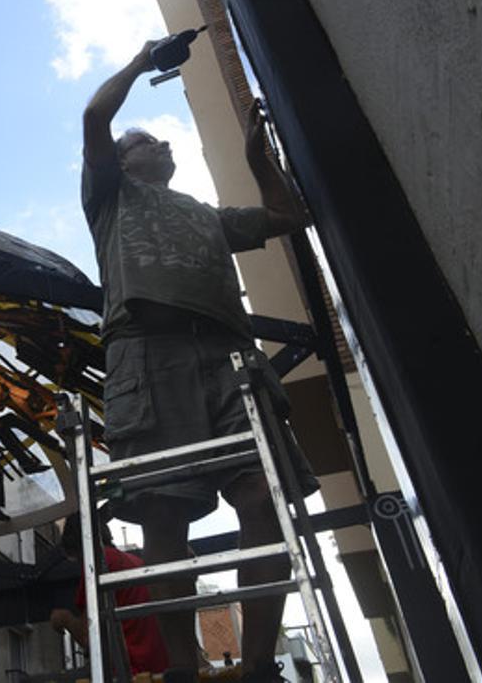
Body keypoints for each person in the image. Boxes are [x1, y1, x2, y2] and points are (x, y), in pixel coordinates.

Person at [81, 40, 319, 682]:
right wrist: (136, 62)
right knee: (161, 514)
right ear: (125, 164)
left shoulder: (206, 216)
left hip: (225, 357)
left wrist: (256, 157)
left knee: (263, 505)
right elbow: (93, 119)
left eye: (160, 141)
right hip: (147, 356)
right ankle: (183, 668)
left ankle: (260, 665)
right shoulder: (111, 199)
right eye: (147, 142)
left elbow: (288, 216)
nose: (161, 144)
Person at [50, 515, 170, 677]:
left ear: (77, 547)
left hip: (129, 672)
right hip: (159, 671)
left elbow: (89, 639)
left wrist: (64, 619)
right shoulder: (134, 561)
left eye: (77, 558)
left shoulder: (99, 564)